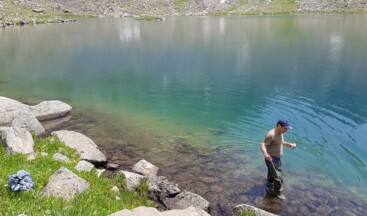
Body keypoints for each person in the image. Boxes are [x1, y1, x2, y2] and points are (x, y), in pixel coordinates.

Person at [260, 119, 296, 200]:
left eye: (287, 129)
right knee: (278, 177)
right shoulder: (271, 135)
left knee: (272, 175)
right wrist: (266, 154)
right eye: (285, 128)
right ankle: (278, 192)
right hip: (271, 159)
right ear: (279, 126)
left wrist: (289, 144)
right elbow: (263, 144)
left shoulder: (280, 133)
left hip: (277, 159)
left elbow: (280, 142)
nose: (286, 130)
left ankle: (269, 186)